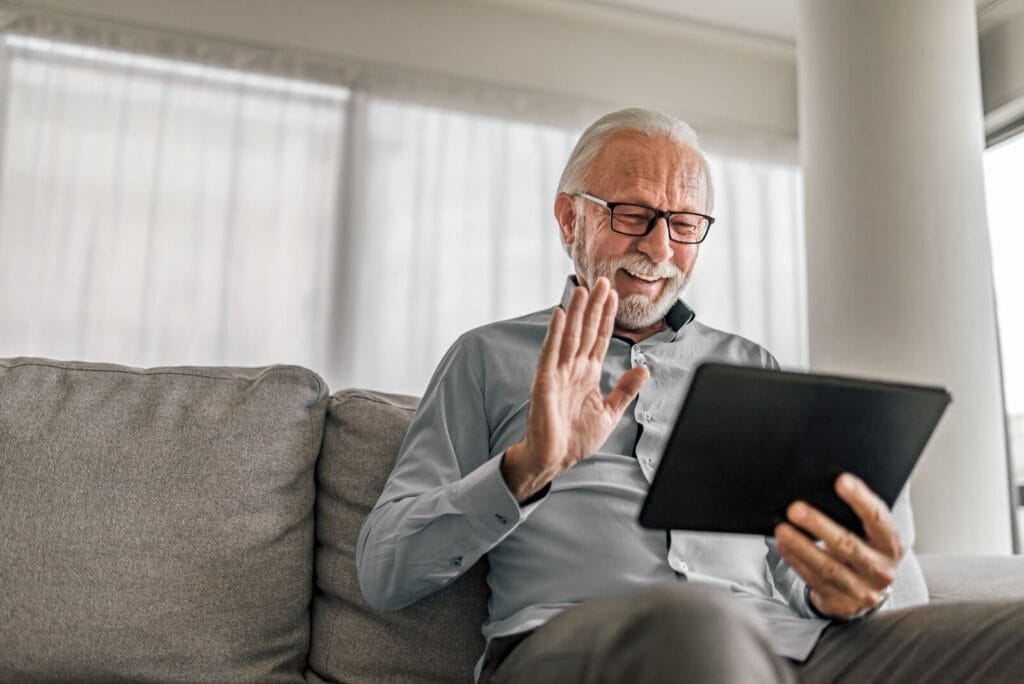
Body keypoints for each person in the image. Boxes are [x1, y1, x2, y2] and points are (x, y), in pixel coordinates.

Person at [356, 108, 1023, 683]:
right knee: (699, 623)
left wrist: (845, 591)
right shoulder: (486, 357)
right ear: (570, 218)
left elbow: (792, 568)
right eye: (633, 215)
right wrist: (527, 468)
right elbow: (386, 569)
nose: (659, 248)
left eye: (684, 224)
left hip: (779, 646)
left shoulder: (750, 366)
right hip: (576, 644)